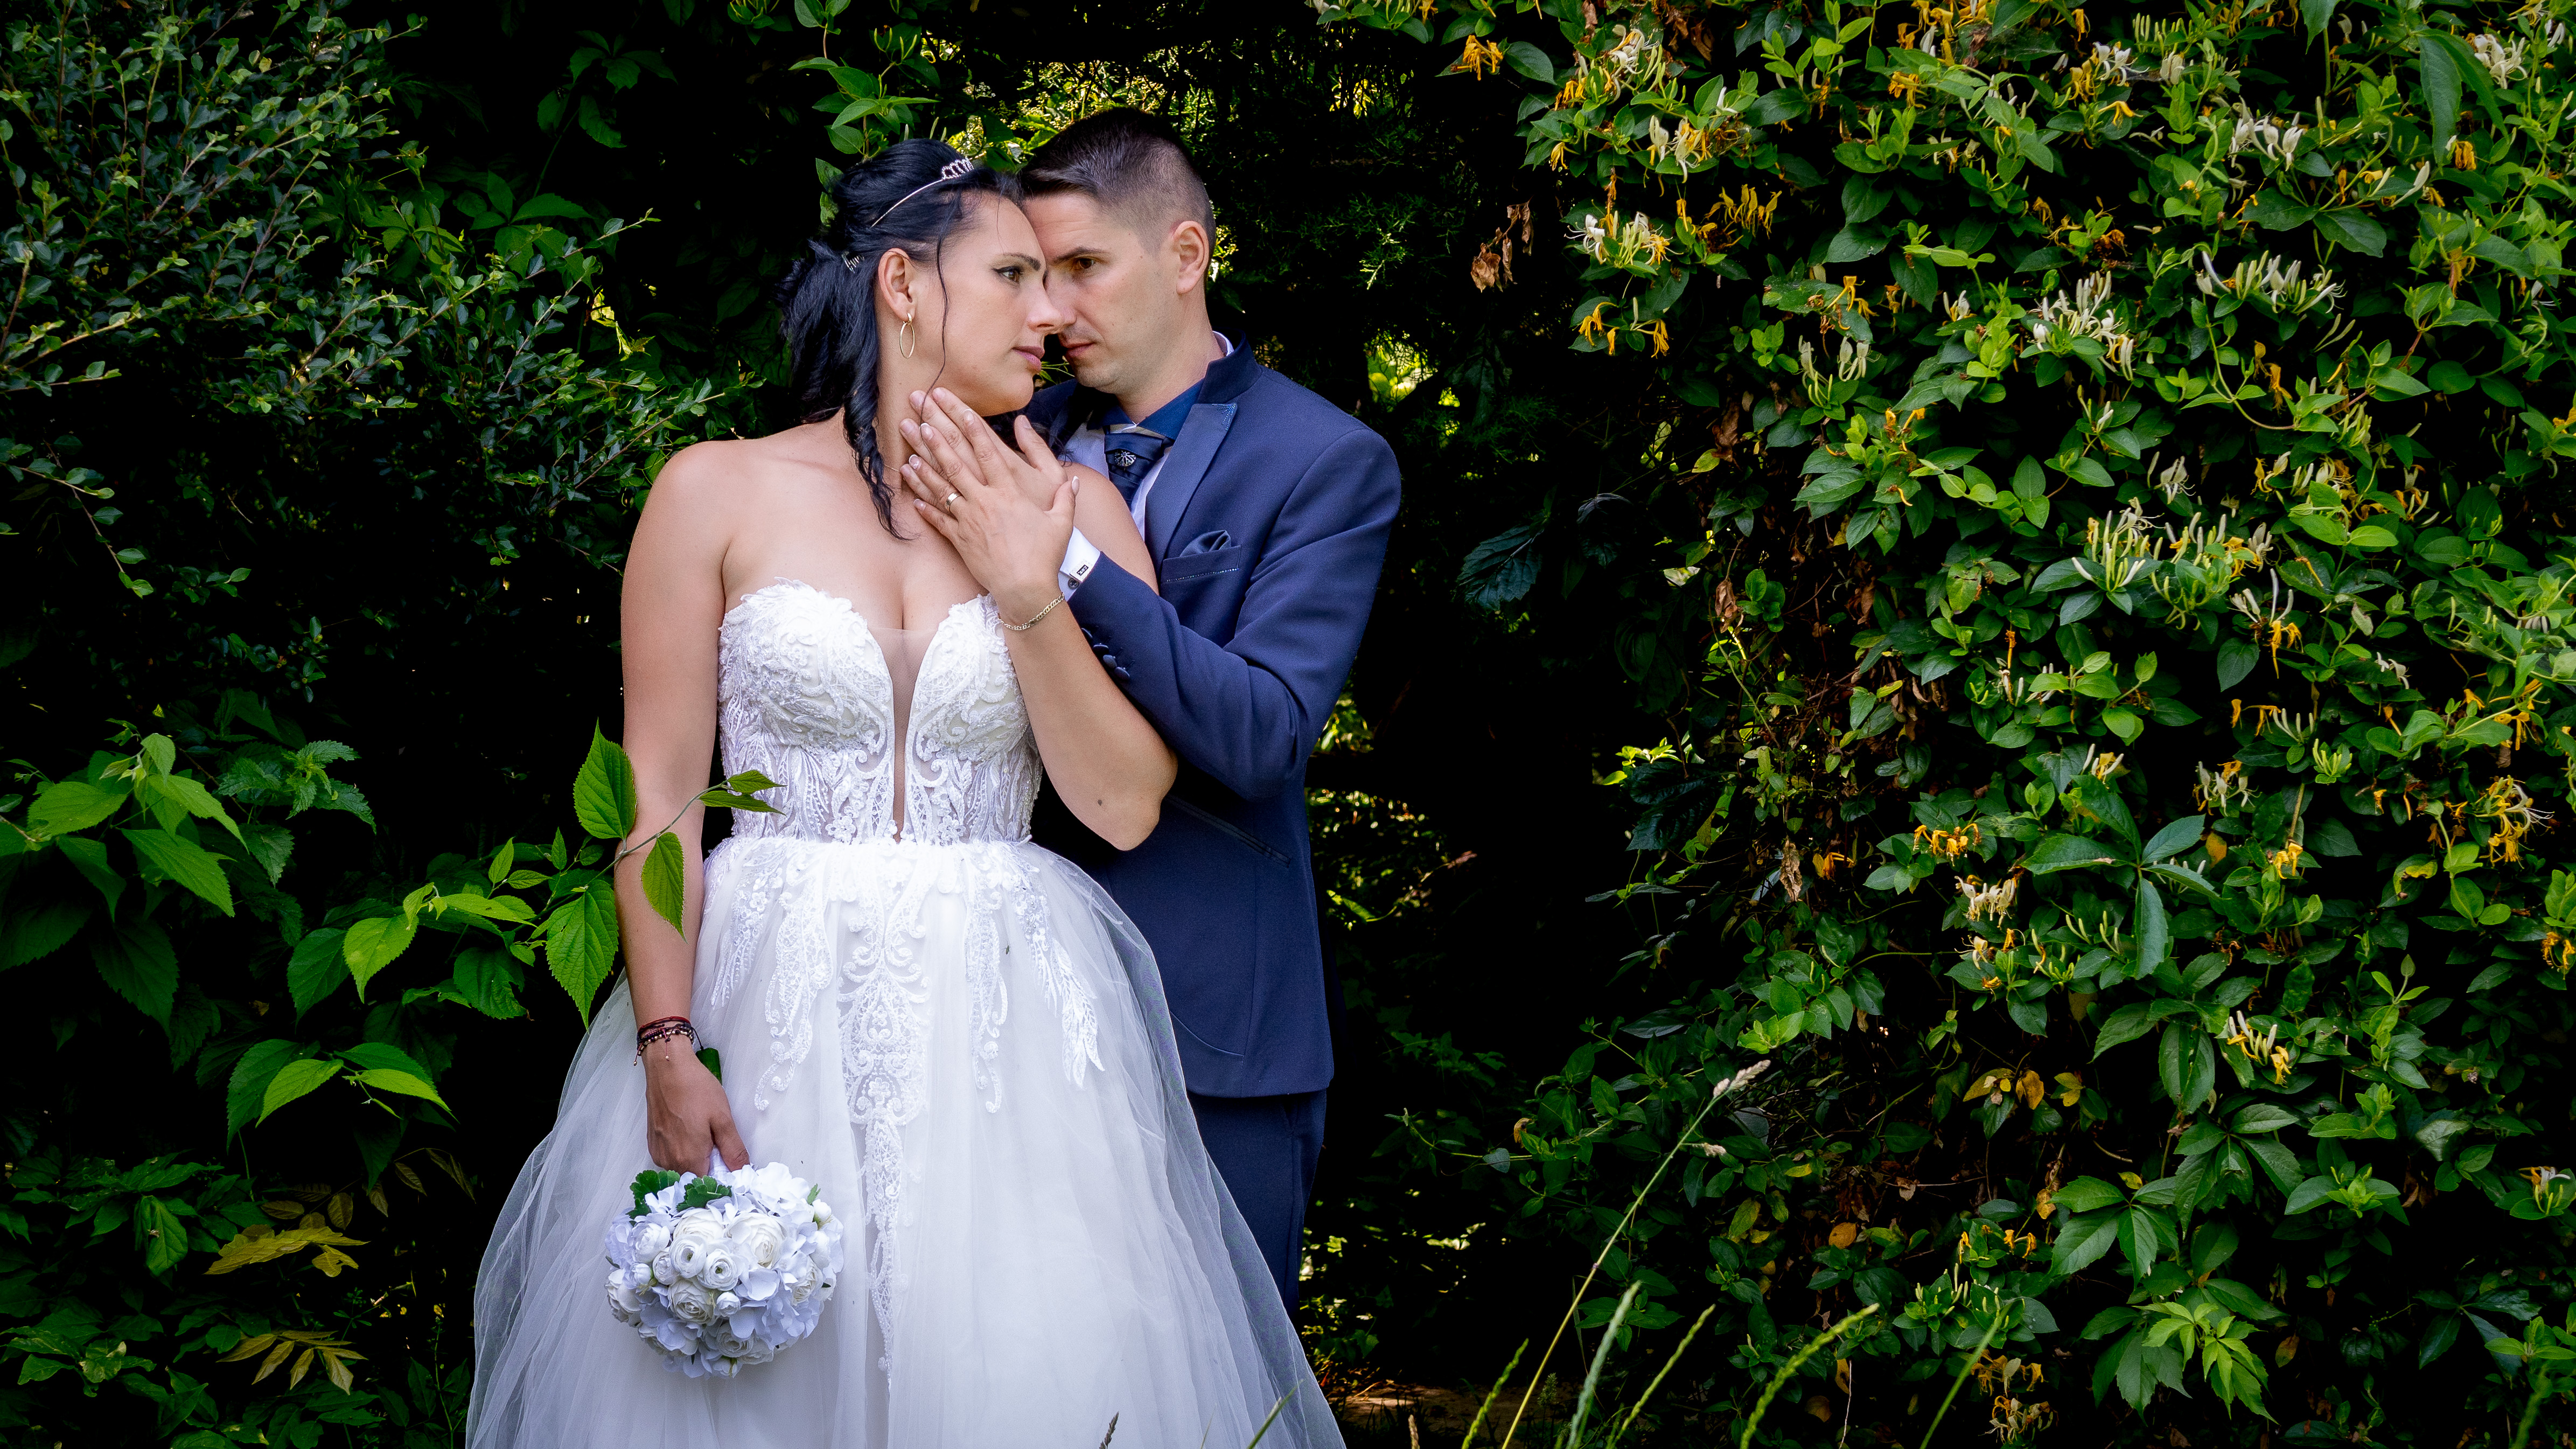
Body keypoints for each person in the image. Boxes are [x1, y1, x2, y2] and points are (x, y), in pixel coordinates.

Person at [466, 141, 1342, 1449]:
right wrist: (667, 1040)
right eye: (1012, 277)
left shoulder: (1078, 507)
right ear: (902, 285)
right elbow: (661, 801)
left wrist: (1027, 579)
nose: (1050, 315)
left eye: (1057, 279)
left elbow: (1120, 804)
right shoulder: (714, 490)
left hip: (1005, 1015)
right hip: (763, 994)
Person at [897, 109, 1402, 1309]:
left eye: (1084, 266)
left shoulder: (1322, 459)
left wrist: (1067, 562)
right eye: (1033, 272)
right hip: (997, 1012)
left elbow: (1264, 734)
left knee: (1220, 1377)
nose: (1052, 308)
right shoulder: (995, 433)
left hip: (1216, 1026)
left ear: (1185, 255)